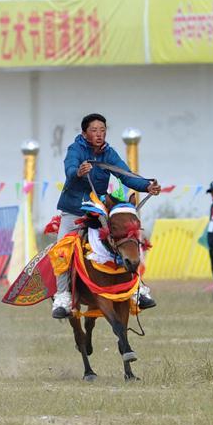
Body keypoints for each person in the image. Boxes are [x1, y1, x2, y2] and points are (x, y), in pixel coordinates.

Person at [51, 113, 162, 319]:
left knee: (124, 238)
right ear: (84, 133)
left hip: (98, 209)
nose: (99, 134)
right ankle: (63, 297)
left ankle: (138, 289)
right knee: (62, 250)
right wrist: (78, 172)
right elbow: (69, 169)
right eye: (94, 130)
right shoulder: (75, 150)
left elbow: (126, 175)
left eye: (102, 130)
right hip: (73, 210)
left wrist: (147, 185)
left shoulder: (109, 153)